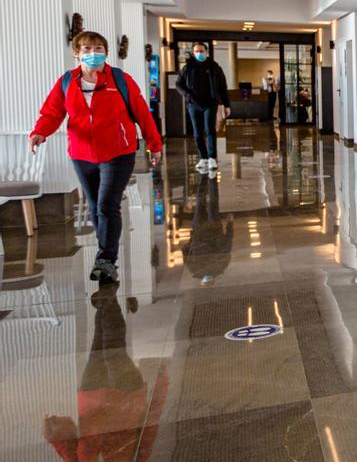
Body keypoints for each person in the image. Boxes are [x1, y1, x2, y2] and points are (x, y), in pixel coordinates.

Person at [29, 31, 163, 284]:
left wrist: (154, 144)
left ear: (106, 52)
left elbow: (142, 113)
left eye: (98, 48)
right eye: (87, 48)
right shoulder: (67, 82)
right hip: (81, 153)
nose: (93, 53)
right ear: (76, 52)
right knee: (93, 204)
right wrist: (39, 132)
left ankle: (106, 259)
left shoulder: (120, 80)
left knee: (106, 205)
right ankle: (105, 254)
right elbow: (52, 113)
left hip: (118, 152)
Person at [43, 283, 169, 462]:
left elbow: (62, 440)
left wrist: (52, 429)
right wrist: (161, 386)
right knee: (114, 345)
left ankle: (104, 300)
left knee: (99, 341)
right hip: (125, 393)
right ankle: (107, 296)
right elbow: (151, 425)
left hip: (91, 392)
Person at [176, 43, 231, 174]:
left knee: (210, 130)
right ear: (193, 53)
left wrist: (226, 104)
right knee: (197, 132)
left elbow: (223, 86)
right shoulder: (188, 68)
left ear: (206, 52)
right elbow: (178, 84)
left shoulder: (214, 67)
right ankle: (203, 157)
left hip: (210, 103)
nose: (199, 53)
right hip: (193, 104)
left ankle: (212, 157)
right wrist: (187, 96)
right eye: (196, 51)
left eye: (201, 51)